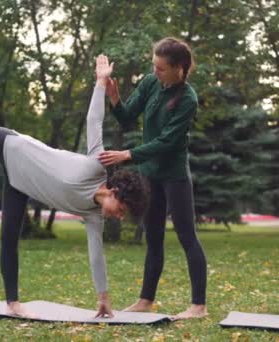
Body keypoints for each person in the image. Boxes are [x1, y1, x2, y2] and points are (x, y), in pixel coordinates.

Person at [0, 55, 149, 319]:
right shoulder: (96, 165)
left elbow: (96, 256)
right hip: (12, 145)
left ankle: (12, 303)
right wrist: (100, 83)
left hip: (19, 185)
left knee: (9, 238)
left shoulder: (93, 217)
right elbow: (94, 121)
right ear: (115, 192)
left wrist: (104, 299)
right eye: (122, 209)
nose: (119, 216)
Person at [98, 37, 208, 319]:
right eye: (154, 66)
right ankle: (145, 300)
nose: (155, 72)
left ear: (179, 69)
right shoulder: (150, 83)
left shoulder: (187, 99)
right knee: (153, 239)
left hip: (174, 175)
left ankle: (198, 306)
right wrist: (114, 96)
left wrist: (127, 155)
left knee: (187, 237)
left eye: (161, 68)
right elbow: (126, 117)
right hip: (150, 174)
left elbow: (167, 142)